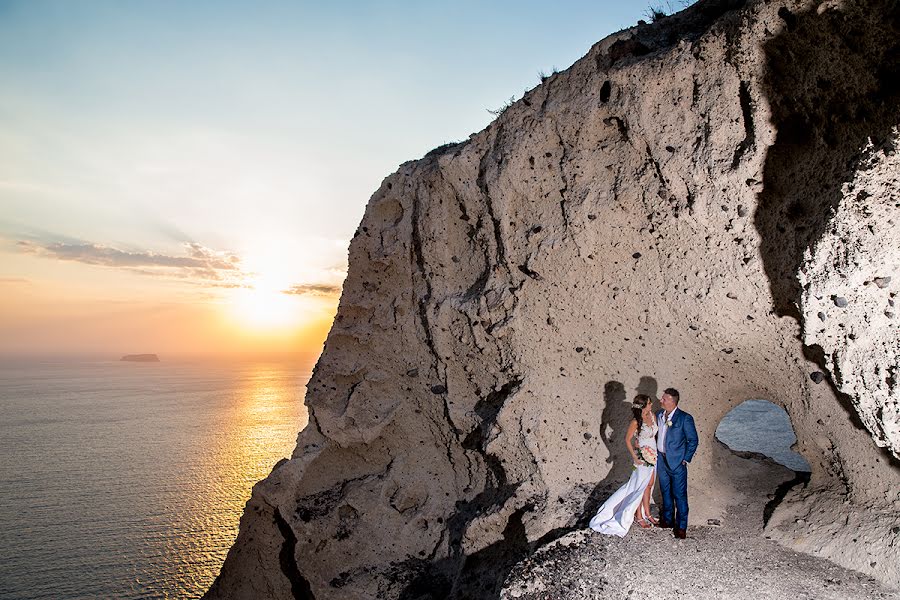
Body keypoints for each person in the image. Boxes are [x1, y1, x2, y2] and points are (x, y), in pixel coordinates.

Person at [588, 394, 659, 536]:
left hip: (653, 452)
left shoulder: (652, 416)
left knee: (649, 483)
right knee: (639, 486)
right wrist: (636, 456)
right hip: (641, 456)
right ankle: (639, 516)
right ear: (644, 405)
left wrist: (652, 450)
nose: (651, 405)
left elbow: (654, 434)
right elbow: (627, 440)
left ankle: (647, 513)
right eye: (649, 403)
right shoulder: (635, 422)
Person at [655, 387, 699, 539]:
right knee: (665, 491)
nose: (661, 400)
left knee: (679, 495)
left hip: (677, 462)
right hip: (661, 460)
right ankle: (667, 520)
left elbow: (693, 440)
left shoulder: (684, 418)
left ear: (672, 402)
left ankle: (681, 527)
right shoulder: (659, 414)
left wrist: (685, 459)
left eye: (664, 399)